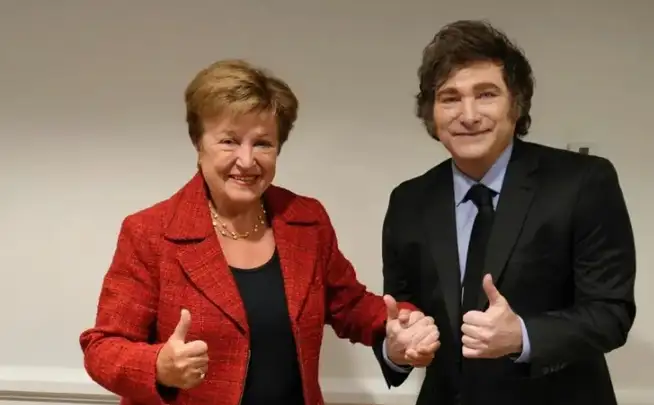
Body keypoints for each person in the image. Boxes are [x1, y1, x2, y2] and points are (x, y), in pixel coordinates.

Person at [79, 59, 440, 405]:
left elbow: (351, 306)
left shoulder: (306, 221)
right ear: (198, 143)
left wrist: (400, 325)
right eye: (229, 141)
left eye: (263, 143)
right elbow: (102, 348)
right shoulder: (150, 233)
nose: (247, 160)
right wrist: (159, 366)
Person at [373, 20, 636, 405]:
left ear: (516, 103)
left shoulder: (582, 182)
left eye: (486, 94)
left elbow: (610, 314)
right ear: (432, 113)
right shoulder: (409, 201)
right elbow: (402, 313)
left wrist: (522, 336)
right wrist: (396, 350)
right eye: (450, 98)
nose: (468, 115)